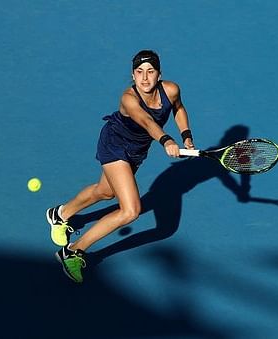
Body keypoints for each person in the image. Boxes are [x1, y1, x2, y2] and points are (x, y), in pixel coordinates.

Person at [46, 50, 195, 283]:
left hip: (136, 151)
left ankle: (60, 213)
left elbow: (179, 109)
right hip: (114, 145)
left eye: (150, 72)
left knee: (105, 192)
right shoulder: (129, 98)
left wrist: (186, 137)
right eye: (139, 72)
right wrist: (167, 140)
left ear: (159, 74)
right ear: (133, 75)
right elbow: (147, 121)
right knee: (130, 210)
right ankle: (72, 251)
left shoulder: (172, 90)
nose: (145, 78)